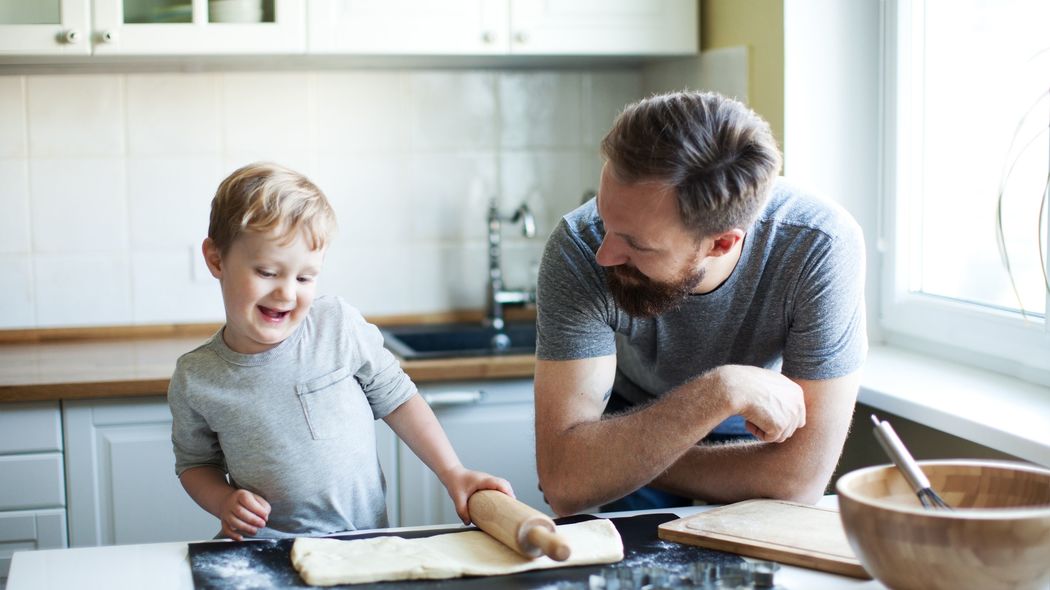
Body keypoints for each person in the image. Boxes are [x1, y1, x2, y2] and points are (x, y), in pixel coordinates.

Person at [533, 91, 867, 516]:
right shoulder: (578, 246)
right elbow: (565, 481)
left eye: (636, 244)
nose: (604, 254)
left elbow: (799, 480)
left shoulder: (821, 245)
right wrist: (722, 388)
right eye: (604, 216)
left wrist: (618, 462)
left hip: (754, 424)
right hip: (628, 413)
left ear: (722, 242)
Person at [168, 162, 512, 540]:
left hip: (359, 544)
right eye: (267, 272)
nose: (286, 292)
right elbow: (195, 464)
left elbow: (399, 399)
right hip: (265, 550)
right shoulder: (196, 377)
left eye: (304, 277)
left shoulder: (336, 326)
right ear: (216, 259)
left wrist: (453, 472)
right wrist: (222, 501)